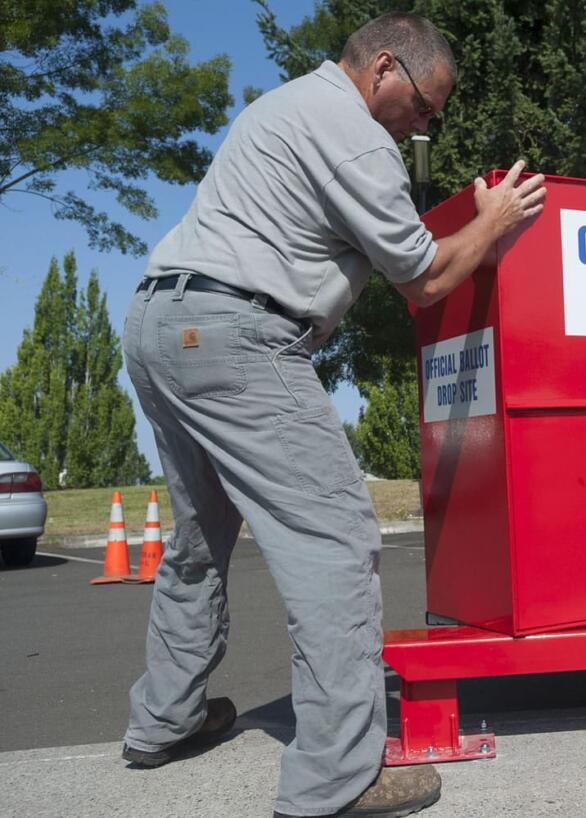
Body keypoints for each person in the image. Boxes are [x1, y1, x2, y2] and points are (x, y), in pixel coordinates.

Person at [118, 12, 545, 818]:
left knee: (200, 537)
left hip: (159, 323)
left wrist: (460, 228)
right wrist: (493, 223)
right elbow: (421, 279)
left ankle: (164, 720)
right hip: (240, 336)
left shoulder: (284, 106)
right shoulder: (353, 136)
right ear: (385, 68)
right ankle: (337, 776)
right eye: (425, 106)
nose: (428, 122)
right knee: (338, 537)